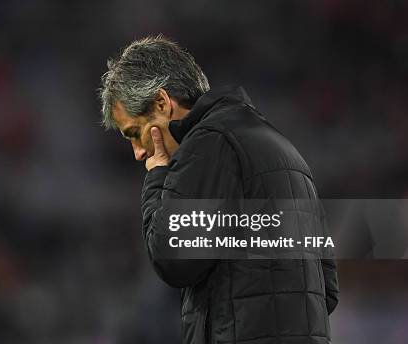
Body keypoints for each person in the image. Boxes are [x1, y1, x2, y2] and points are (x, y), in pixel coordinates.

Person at [99, 35, 339, 344]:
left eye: (135, 133)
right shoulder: (285, 150)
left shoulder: (210, 144)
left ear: (162, 103)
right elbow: (327, 289)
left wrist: (158, 174)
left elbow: (173, 259)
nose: (138, 152)